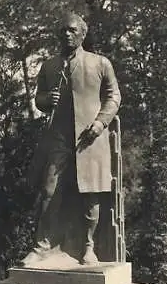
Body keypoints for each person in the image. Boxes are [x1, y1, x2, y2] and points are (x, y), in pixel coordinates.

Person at [32, 13, 120, 265]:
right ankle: (42, 246)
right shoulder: (49, 66)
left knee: (90, 195)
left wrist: (101, 122)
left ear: (83, 34)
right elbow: (39, 99)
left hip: (89, 139)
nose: (67, 34)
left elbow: (114, 96)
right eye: (62, 31)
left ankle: (89, 247)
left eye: (72, 30)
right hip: (59, 139)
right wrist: (47, 100)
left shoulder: (100, 63)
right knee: (49, 191)